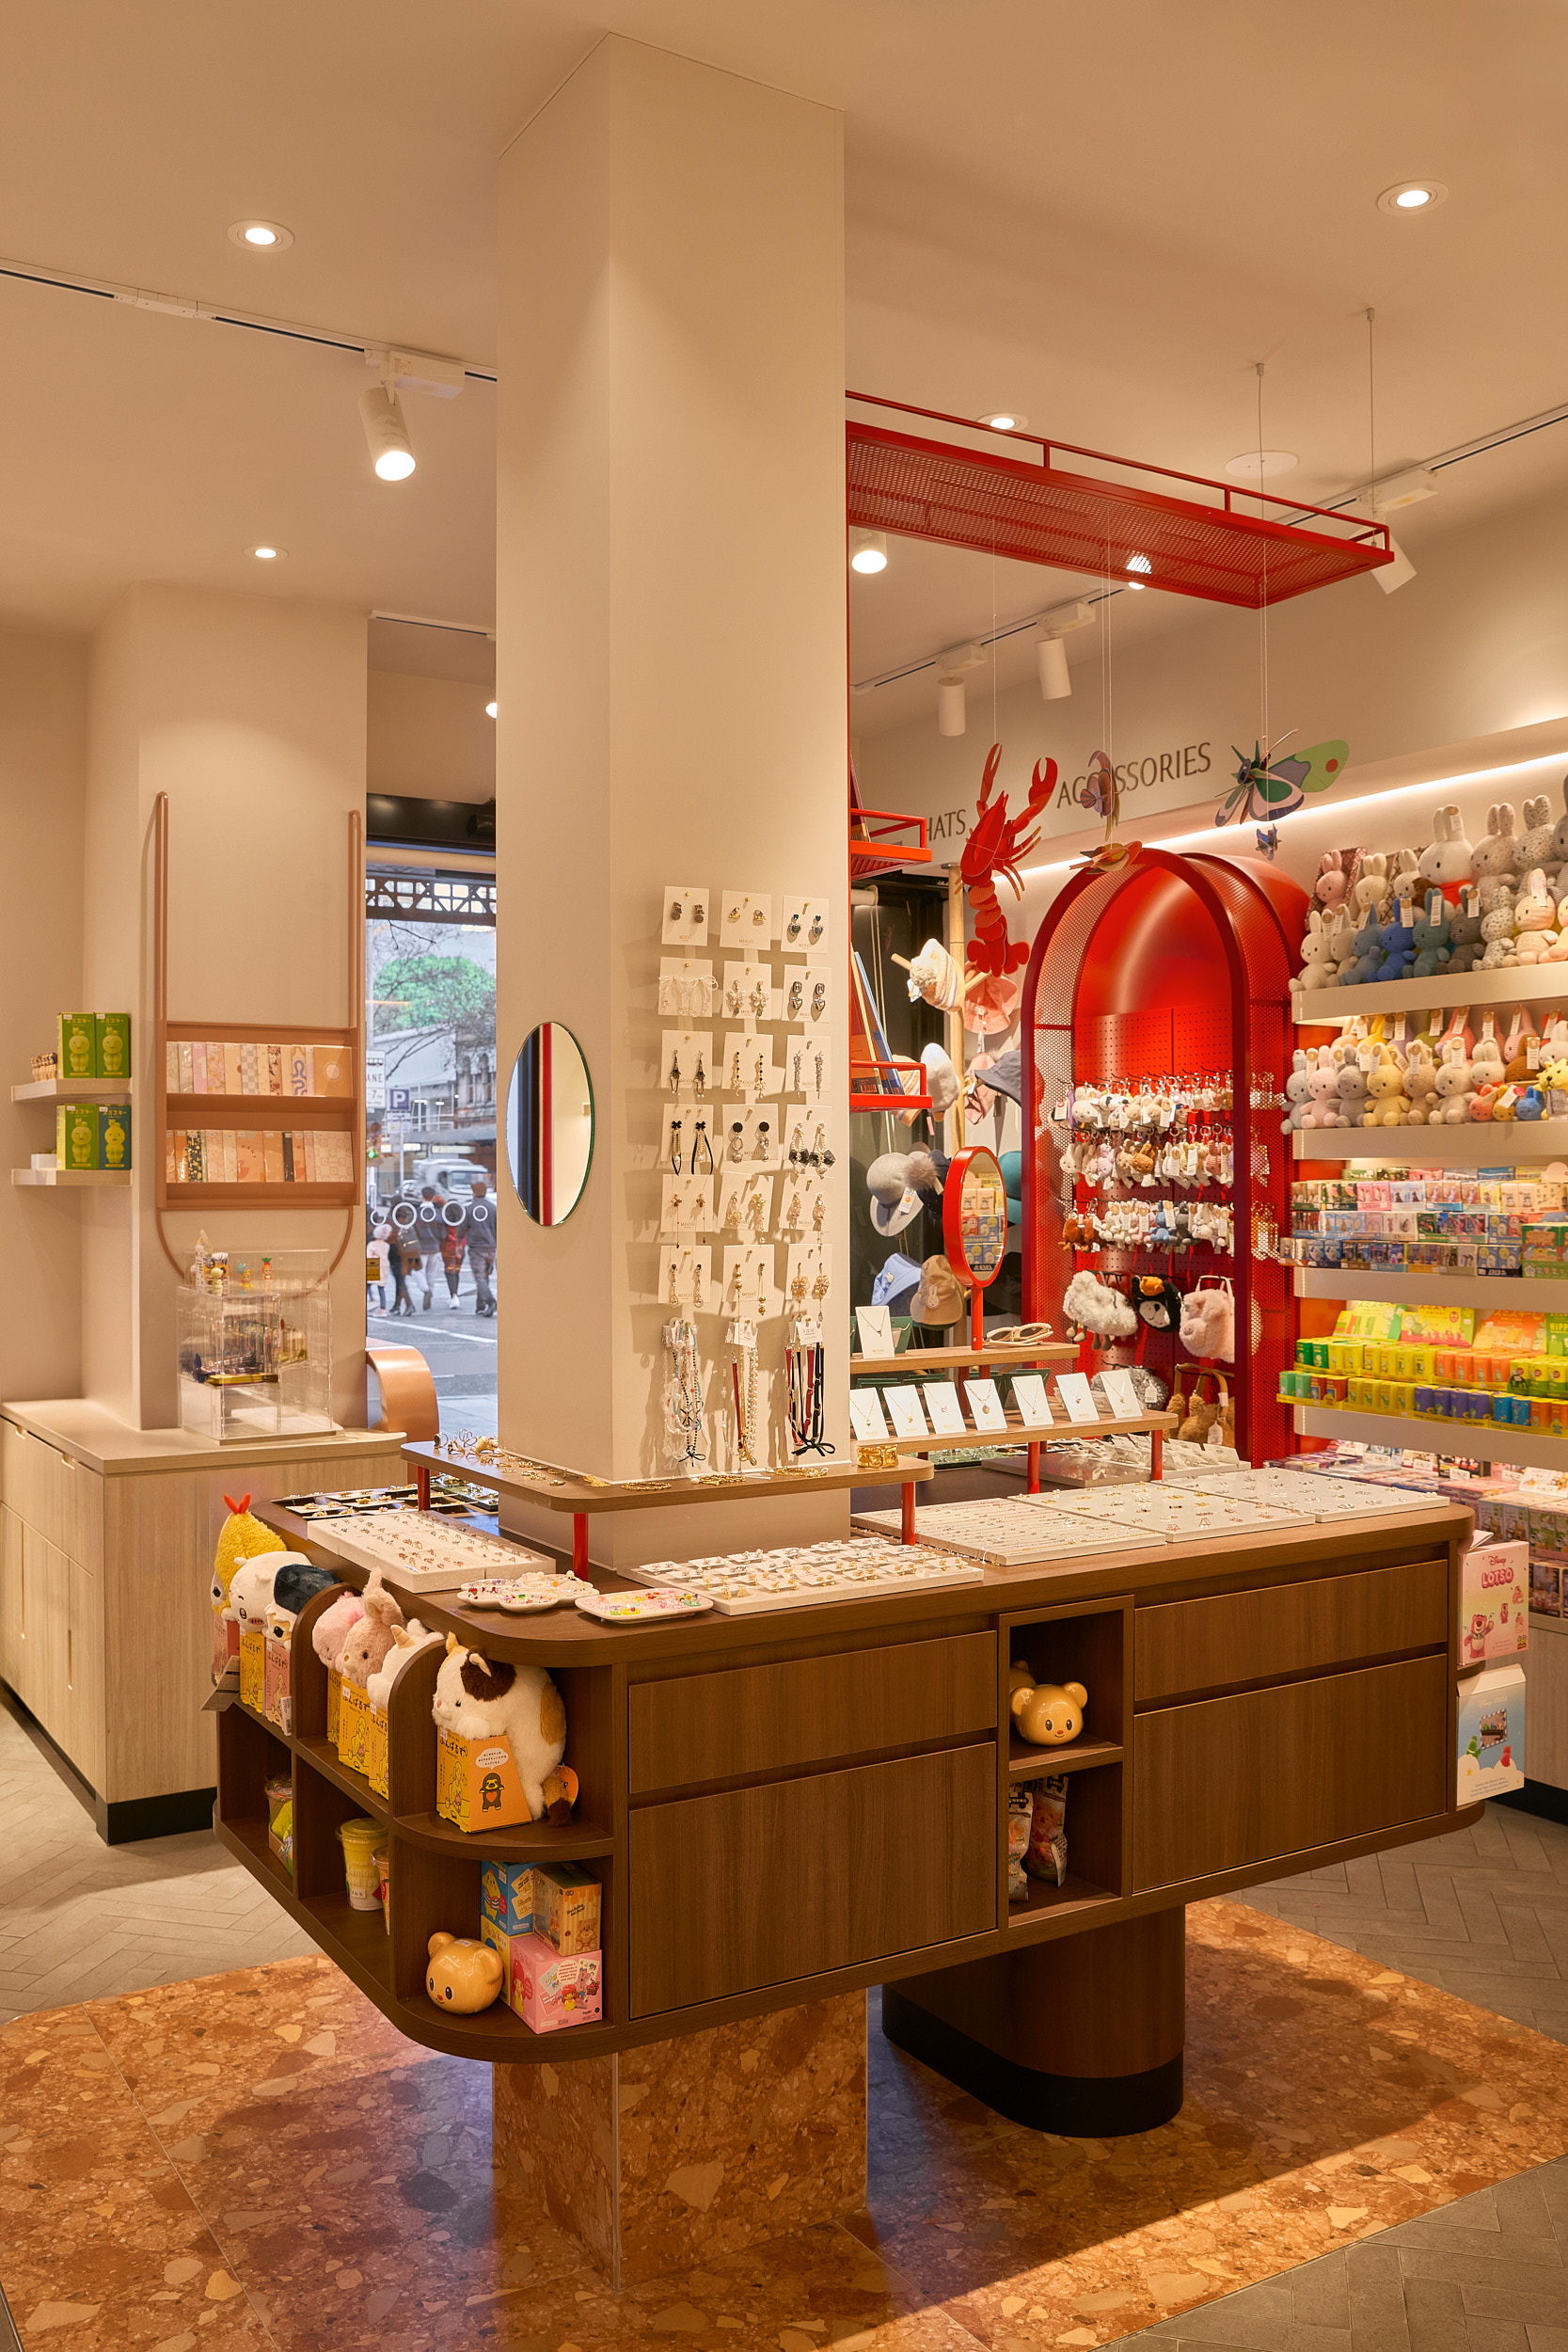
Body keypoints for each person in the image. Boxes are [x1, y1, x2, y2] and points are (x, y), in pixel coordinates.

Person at [464, 1174, 498, 1316]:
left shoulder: (469, 1209)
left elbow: (462, 1229)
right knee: (485, 1276)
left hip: (476, 1248)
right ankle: (480, 1305)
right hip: (491, 1247)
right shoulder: (493, 1208)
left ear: (473, 1193)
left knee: (480, 1277)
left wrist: (458, 1245)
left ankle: (490, 1301)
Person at [413, 1185, 446, 1311]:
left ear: (422, 1196)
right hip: (435, 1247)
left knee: (417, 1271)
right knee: (431, 1274)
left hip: (420, 1247)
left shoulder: (416, 1213)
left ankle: (426, 1291)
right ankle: (429, 1296)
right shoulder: (438, 1214)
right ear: (433, 1197)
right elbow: (443, 1233)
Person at [367, 1222, 390, 1312]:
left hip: (373, 1265)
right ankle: (383, 1308)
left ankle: (371, 1300)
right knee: (381, 1287)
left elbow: (368, 1256)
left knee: (368, 1285)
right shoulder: (386, 1245)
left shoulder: (372, 1245)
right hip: (384, 1265)